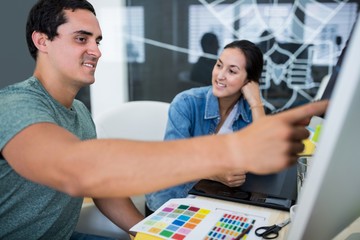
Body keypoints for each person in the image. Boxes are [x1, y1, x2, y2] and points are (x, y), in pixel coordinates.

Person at [0, 0, 328, 239]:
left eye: (97, 41)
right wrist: (233, 150)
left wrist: (140, 234)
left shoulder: (80, 114)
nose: (97, 51)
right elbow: (77, 169)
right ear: (42, 41)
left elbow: (100, 187)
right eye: (81, 38)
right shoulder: (14, 105)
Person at [146, 40, 266, 214]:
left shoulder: (248, 111)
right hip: (170, 201)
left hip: (213, 199)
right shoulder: (186, 103)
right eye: (219, 65)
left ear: (249, 81)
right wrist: (215, 173)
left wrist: (256, 103)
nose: (220, 76)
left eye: (232, 71)